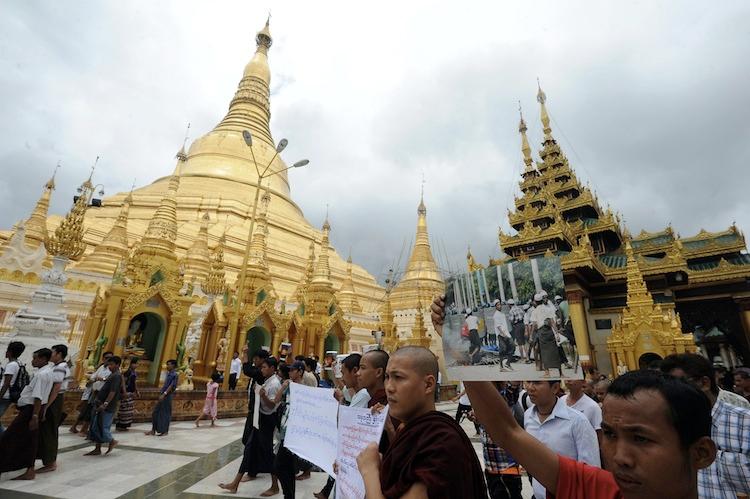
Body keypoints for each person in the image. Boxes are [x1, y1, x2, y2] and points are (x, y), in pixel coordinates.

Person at [434, 288, 721, 499]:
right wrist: (453, 347)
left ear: (701, 453)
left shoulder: (581, 426)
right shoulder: (600, 490)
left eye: (641, 438)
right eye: (609, 435)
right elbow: (506, 431)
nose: (619, 457)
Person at [356, 346, 487, 498]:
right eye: (387, 377)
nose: (389, 388)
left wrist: (369, 472)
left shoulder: (441, 442)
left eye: (398, 377)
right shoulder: (407, 430)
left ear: (428, 384)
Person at [661, 353, 750, 497]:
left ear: (704, 383)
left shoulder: (745, 423)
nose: (672, 395)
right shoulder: (672, 428)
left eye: (679, 386)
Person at [524, 379, 600, 498]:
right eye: (528, 382)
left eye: (537, 383)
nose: (530, 387)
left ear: (555, 388)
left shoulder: (578, 421)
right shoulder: (528, 416)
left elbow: (591, 470)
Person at [220, 356, 282, 495]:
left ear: (272, 368)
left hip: (266, 421)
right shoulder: (267, 381)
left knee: (267, 453)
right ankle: (235, 484)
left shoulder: (275, 384)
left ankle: (275, 486)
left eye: (265, 367)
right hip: (259, 420)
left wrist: (263, 396)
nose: (262, 369)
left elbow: (272, 405)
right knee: (249, 450)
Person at [0, 348, 54, 480]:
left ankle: (16, 466)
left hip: (31, 410)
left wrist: (34, 416)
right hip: (34, 409)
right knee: (30, 440)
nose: (33, 360)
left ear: (43, 359)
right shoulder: (47, 372)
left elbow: (38, 397)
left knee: (10, 437)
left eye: (35, 358)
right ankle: (29, 469)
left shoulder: (42, 375)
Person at [472, 382, 524, 499]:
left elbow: (513, 388)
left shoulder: (503, 398)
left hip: (507, 471)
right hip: (491, 471)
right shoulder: (482, 401)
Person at [36, 344, 69, 473]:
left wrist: (46, 406)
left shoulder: (60, 367)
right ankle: (47, 459)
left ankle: (50, 462)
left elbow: (56, 388)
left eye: (53, 352)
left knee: (49, 430)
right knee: (47, 430)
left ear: (59, 354)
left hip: (54, 400)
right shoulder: (57, 367)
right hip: (53, 399)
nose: (51, 355)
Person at [85, 355, 122, 456]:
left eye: (111, 364)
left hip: (107, 406)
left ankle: (112, 441)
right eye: (109, 364)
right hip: (99, 402)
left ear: (118, 365)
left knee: (102, 426)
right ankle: (97, 448)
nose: (109, 366)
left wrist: (105, 403)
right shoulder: (112, 374)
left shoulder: (116, 376)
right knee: (96, 425)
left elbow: (113, 391)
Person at [71, 351, 113, 436]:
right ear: (103, 359)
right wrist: (96, 379)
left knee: (92, 411)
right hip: (94, 392)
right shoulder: (101, 367)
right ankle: (83, 429)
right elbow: (92, 378)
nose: (109, 360)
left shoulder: (111, 369)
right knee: (88, 410)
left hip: (102, 393)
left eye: (111, 358)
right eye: (107, 358)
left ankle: (87, 430)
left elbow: (109, 380)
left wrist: (102, 379)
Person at [242, 347, 269, 445]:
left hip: (258, 408)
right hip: (253, 406)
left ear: (262, 360)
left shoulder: (261, 372)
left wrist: (245, 354)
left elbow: (247, 371)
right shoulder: (258, 369)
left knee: (250, 435)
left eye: (256, 359)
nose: (254, 360)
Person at [146, 359, 178, 436]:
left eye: (169, 364)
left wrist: (164, 394)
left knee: (165, 413)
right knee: (155, 412)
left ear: (173, 365)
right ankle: (153, 430)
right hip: (162, 394)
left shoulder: (175, 375)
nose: (167, 366)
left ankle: (165, 431)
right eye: (167, 364)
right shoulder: (168, 373)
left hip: (167, 396)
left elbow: (171, 385)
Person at [0, 341, 25, 435]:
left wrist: (0, 396)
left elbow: (6, 384)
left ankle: (4, 438)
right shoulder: (19, 363)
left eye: (7, 350)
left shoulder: (11, 365)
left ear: (10, 352)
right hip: (9, 395)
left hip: (4, 396)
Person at [115, 357, 139, 431]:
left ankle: (124, 425)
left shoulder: (134, 372)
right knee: (124, 410)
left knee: (128, 410)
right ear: (131, 364)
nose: (136, 365)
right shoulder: (127, 372)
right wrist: (124, 392)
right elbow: (123, 382)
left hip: (130, 392)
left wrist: (137, 390)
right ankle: (120, 425)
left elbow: (134, 382)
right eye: (135, 363)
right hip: (126, 392)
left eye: (137, 364)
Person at [493, 301, 514, 370]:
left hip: (506, 333)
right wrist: (503, 334)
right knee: (503, 349)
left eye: (500, 305)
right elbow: (498, 327)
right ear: (495, 306)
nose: (500, 306)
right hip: (501, 335)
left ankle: (508, 363)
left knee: (513, 347)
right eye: (498, 305)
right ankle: (501, 366)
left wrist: (507, 334)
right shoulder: (496, 315)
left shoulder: (502, 314)